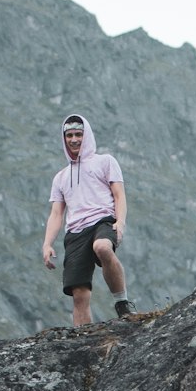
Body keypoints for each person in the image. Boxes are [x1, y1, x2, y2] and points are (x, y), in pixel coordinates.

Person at [42, 113, 136, 327]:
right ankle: (84, 338)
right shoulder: (61, 177)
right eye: (69, 135)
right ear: (64, 139)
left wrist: (120, 223)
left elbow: (119, 195)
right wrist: (47, 244)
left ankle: (122, 302)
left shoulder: (105, 161)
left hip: (103, 221)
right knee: (79, 293)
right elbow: (56, 214)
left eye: (78, 134)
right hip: (75, 232)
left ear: (87, 136)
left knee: (102, 247)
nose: (74, 139)